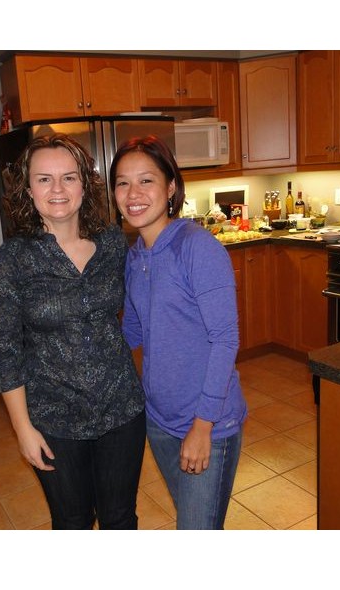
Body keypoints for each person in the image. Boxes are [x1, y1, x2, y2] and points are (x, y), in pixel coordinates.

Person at [0, 134, 146, 530]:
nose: (57, 189)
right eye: (44, 179)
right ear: (28, 189)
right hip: (53, 418)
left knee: (120, 518)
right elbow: (4, 349)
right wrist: (22, 428)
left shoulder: (113, 242)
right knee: (72, 521)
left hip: (121, 409)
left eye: (68, 178)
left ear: (84, 185)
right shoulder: (13, 259)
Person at [110, 135, 247, 530]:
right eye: (122, 182)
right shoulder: (135, 254)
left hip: (207, 423)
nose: (133, 193)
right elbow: (134, 330)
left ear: (170, 187)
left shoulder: (196, 247)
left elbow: (225, 340)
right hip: (159, 419)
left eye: (146, 181)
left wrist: (203, 426)